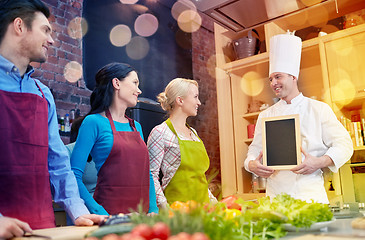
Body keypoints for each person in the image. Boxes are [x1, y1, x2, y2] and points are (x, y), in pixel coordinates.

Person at [0, 0, 104, 238]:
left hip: (42, 226)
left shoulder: (42, 93)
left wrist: (78, 211)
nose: (52, 40)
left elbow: (57, 162)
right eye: (45, 30)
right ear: (19, 26)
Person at [243, 32, 353, 204]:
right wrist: (251, 165)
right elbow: (254, 151)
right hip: (276, 198)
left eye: (278, 77)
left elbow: (345, 145)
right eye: (271, 79)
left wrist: (318, 162)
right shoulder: (265, 115)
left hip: (310, 196)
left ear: (293, 77)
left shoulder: (319, 109)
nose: (273, 83)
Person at [70, 62, 159, 215]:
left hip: (142, 219)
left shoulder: (136, 126)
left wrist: (153, 209)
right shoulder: (93, 122)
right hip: (109, 217)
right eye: (135, 83)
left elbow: (147, 174)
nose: (139, 90)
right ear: (116, 83)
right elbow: (73, 175)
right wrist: (98, 211)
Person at [147, 78, 217, 208]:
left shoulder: (194, 134)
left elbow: (198, 178)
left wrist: (213, 201)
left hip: (203, 210)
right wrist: (164, 207)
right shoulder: (160, 132)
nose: (199, 102)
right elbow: (151, 175)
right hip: (177, 211)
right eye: (195, 97)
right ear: (180, 100)